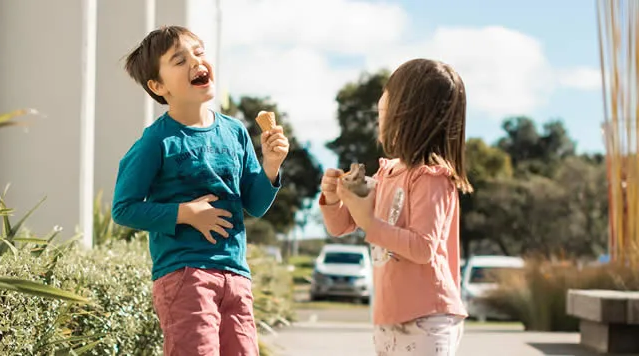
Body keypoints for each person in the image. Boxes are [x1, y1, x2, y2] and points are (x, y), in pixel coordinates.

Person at [111, 25, 289, 356]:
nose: (196, 60)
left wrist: (271, 166)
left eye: (199, 51)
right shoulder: (156, 141)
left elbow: (255, 203)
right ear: (158, 86)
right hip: (185, 276)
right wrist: (186, 213)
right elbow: (124, 208)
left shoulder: (235, 132)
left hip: (236, 277)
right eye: (179, 59)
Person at [319, 58, 471, 355]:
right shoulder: (386, 173)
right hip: (389, 317)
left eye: (388, 93)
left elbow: (423, 247)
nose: (380, 101)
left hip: (428, 317)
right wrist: (335, 199)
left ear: (408, 110)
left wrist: (370, 223)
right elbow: (340, 226)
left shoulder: (431, 177)